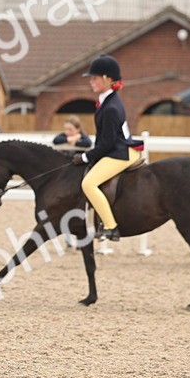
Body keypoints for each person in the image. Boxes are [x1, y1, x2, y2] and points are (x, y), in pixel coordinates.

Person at [71, 55, 144, 242]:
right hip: (117, 149)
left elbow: (108, 143)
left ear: (107, 79)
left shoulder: (111, 107)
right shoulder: (107, 101)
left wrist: (86, 157)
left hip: (120, 152)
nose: (90, 81)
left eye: (94, 78)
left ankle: (111, 226)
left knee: (88, 183)